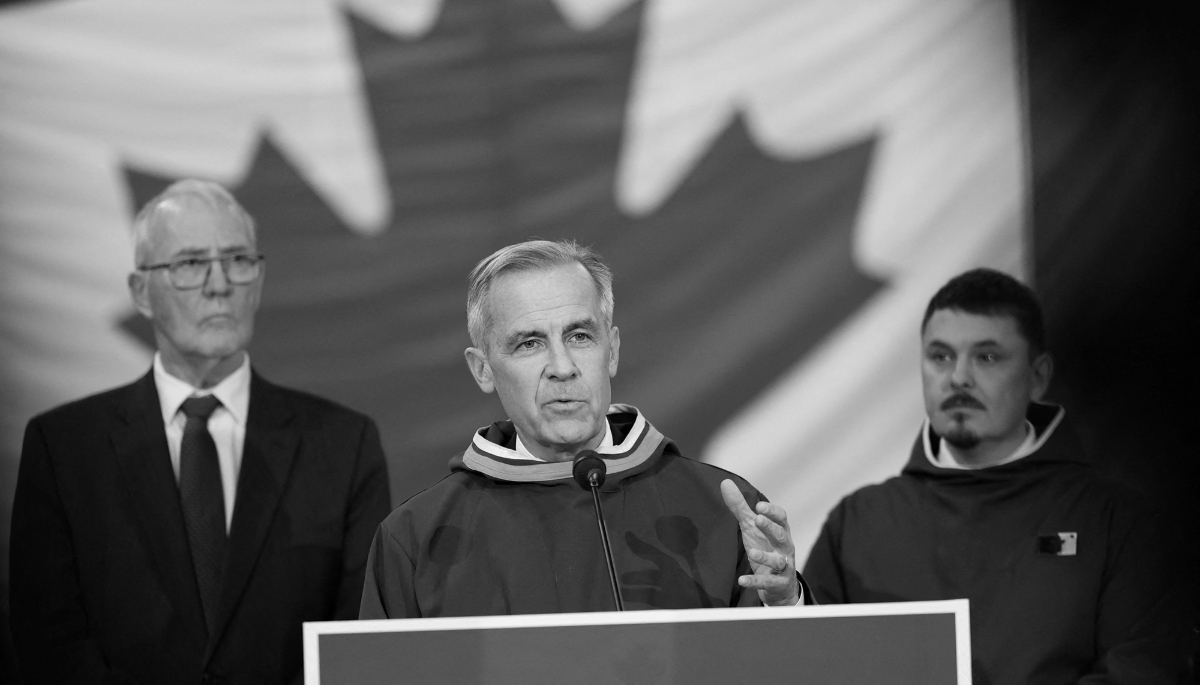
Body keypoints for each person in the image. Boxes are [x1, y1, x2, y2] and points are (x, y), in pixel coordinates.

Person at [9, 180, 392, 684]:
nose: (219, 284)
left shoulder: (342, 444)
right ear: (140, 292)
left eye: (237, 260)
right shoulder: (64, 449)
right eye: (190, 264)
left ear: (257, 278)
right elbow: (48, 641)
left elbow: (358, 639)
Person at [360, 239, 811, 618]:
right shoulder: (418, 539)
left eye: (580, 336)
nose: (562, 367)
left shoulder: (722, 511)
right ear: (483, 370)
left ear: (610, 350)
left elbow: (798, 667)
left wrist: (786, 601)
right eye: (529, 343)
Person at [802, 268, 1192, 684]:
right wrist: (783, 600)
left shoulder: (1120, 525)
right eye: (940, 356)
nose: (959, 377)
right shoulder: (858, 522)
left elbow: (1142, 672)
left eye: (986, 356)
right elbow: (806, 665)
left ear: (1038, 377)